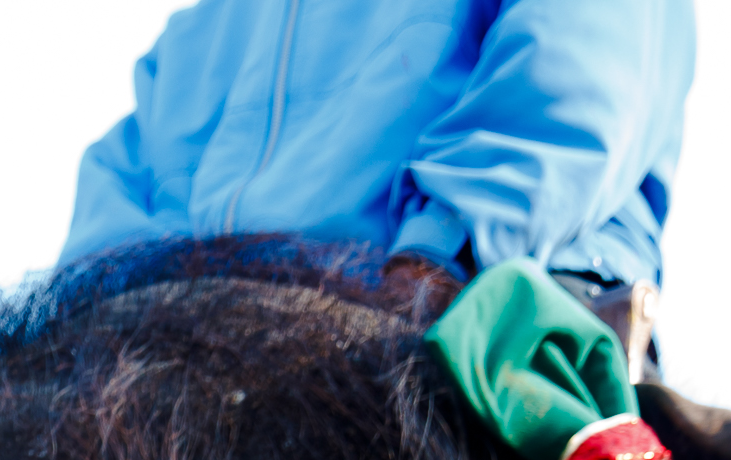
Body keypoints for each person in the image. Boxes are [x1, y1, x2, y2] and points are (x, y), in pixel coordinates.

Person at [59, 0, 693, 374]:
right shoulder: (205, 25)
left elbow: (577, 84)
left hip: (483, 306)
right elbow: (119, 200)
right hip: (222, 353)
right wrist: (126, 320)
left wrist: (436, 257)